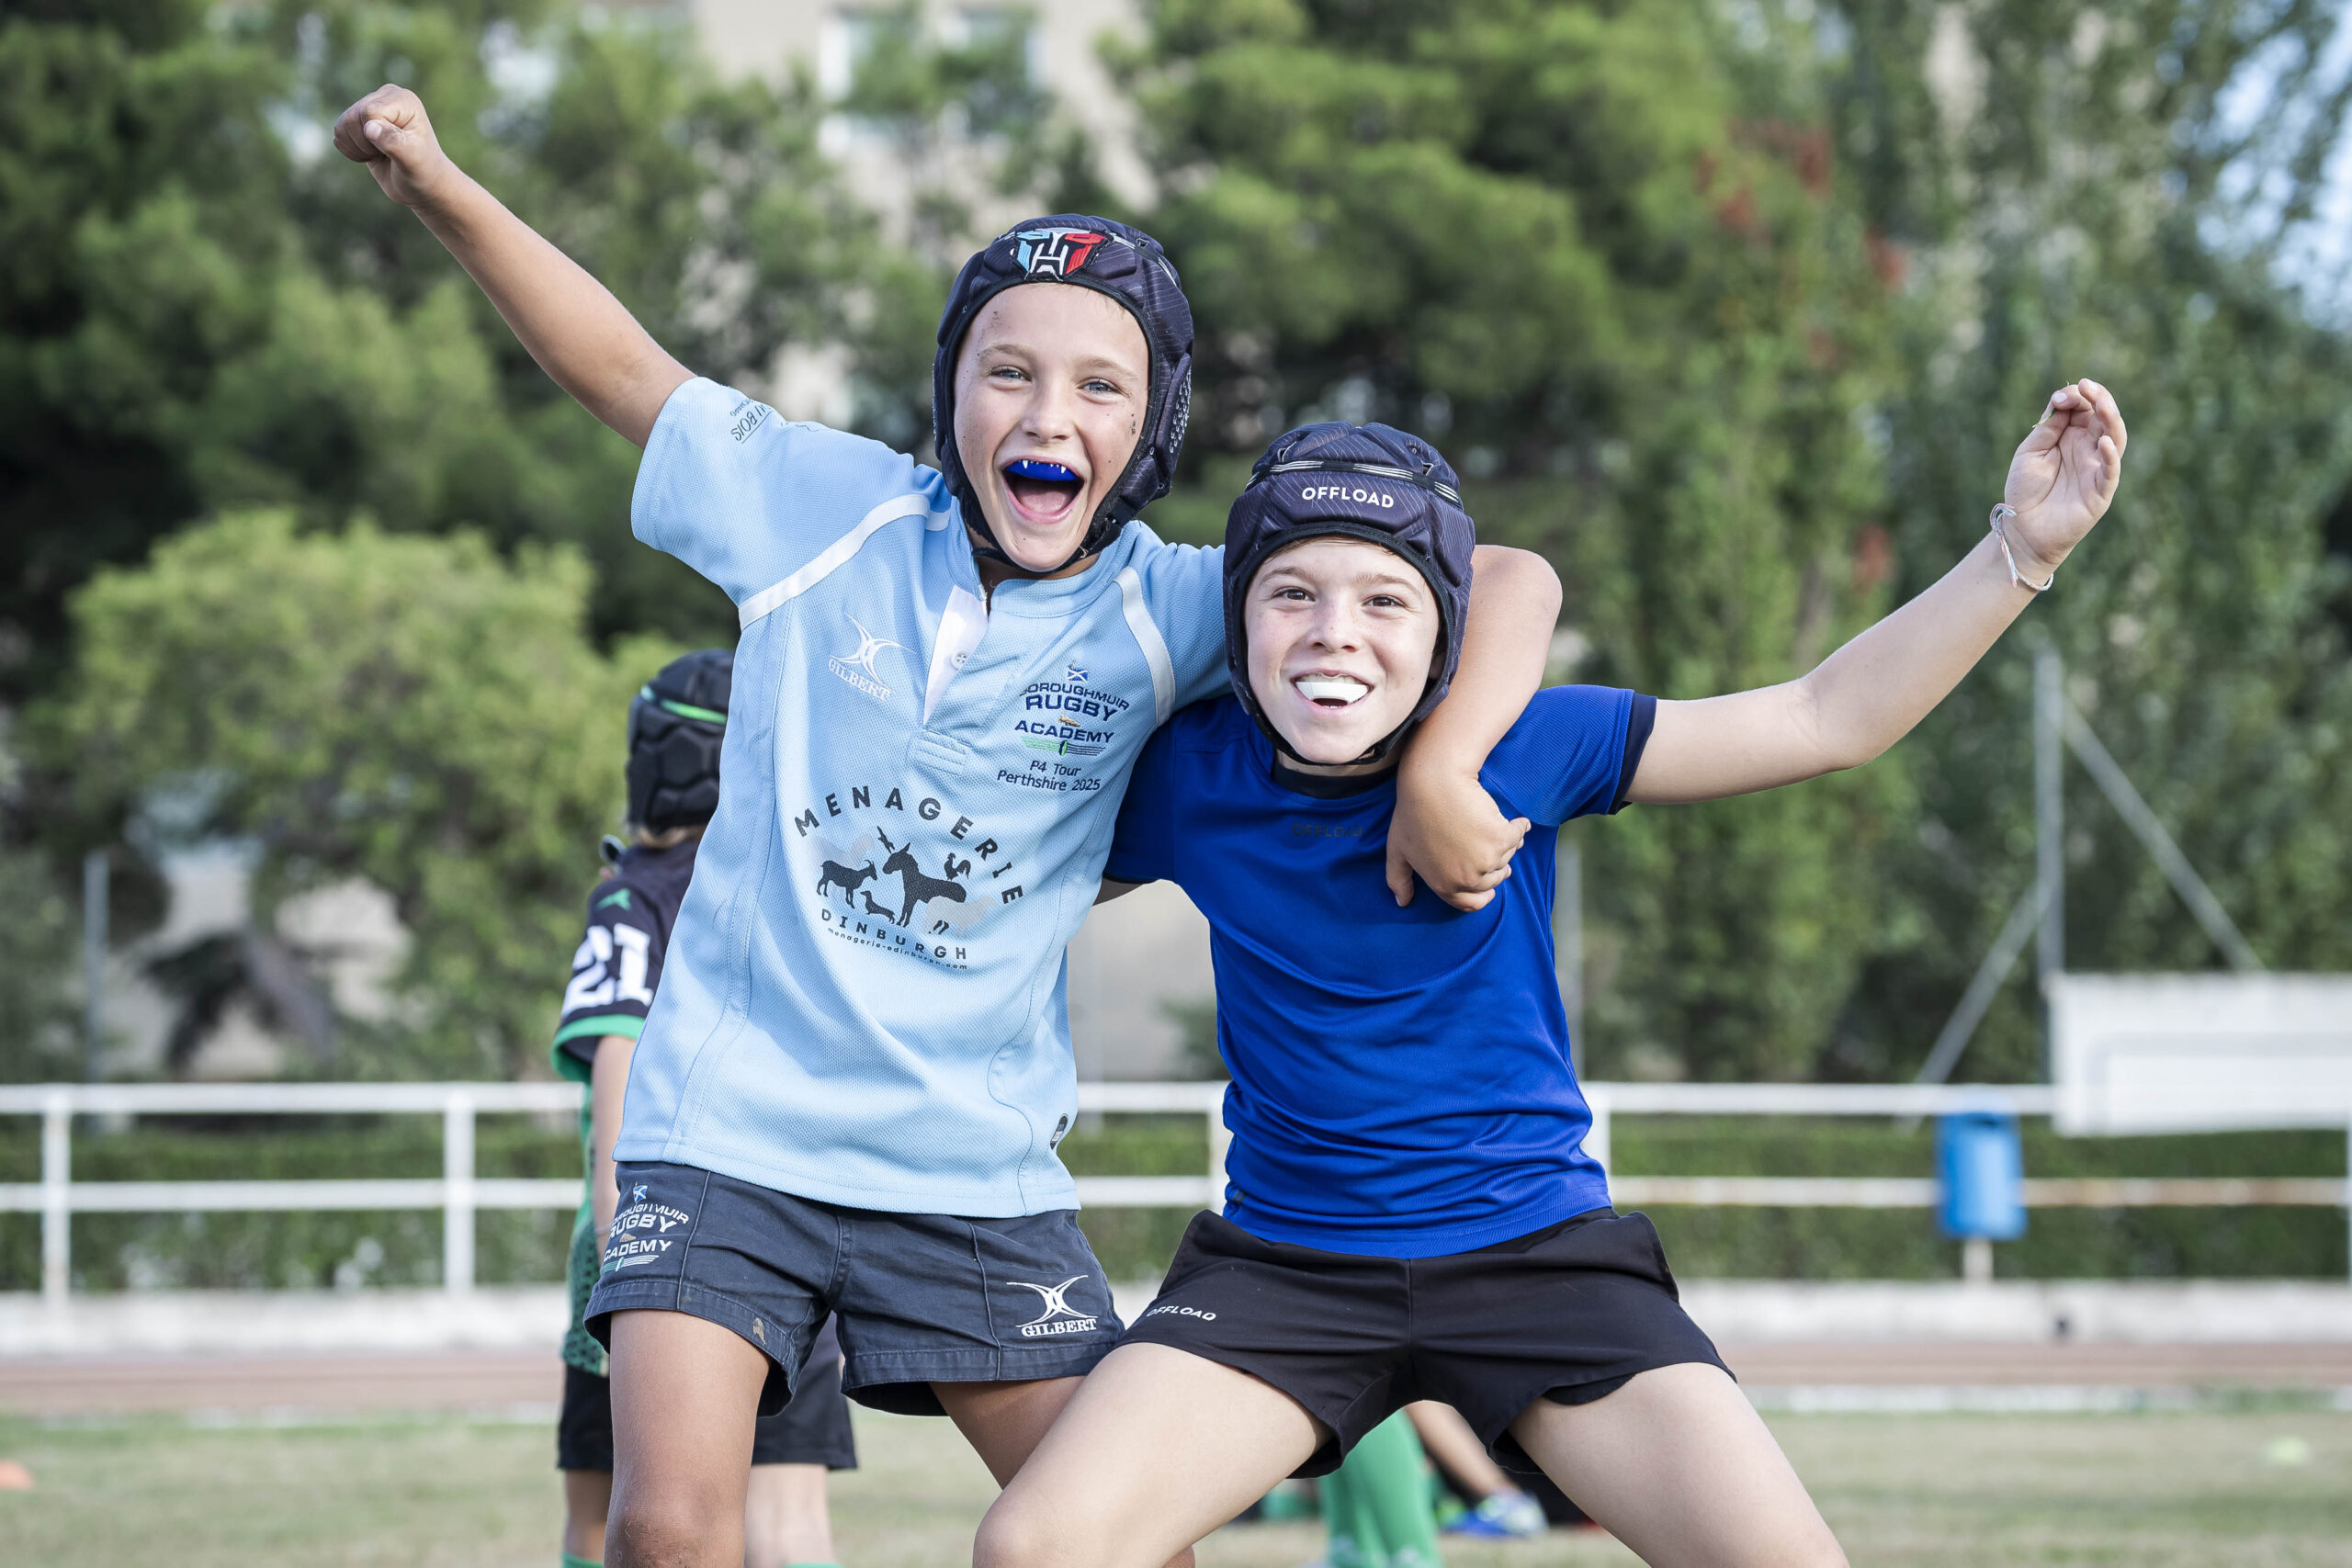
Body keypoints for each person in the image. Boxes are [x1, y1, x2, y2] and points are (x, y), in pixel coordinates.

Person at [332, 85, 1565, 1568]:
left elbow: (1507, 576)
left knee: (1121, 1539)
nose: (1049, 416)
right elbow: (625, 367)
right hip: (728, 1132)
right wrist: (437, 182)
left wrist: (1444, 769)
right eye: (1009, 372)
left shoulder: (1179, 605)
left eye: (1100, 386)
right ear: (950, 389)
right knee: (666, 1524)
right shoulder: (823, 510)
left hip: (970, 1166)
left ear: (1153, 423)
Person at [977, 388, 2126, 1568]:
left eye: (1384, 599)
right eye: (1290, 594)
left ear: (1444, 629)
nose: (1333, 632)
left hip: (1539, 1260)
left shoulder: (1528, 743)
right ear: (1239, 619)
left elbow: (1825, 716)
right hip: (1286, 1270)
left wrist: (2020, 552)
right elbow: (994, 874)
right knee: (1035, 1547)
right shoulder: (1186, 776)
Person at [550, 649, 855, 1568]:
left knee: (612, 1513)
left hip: (661, 1239)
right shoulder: (802, 885)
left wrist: (617, 1235)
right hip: (799, 1228)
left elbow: (620, 1060)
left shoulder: (634, 895)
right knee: (790, 1521)